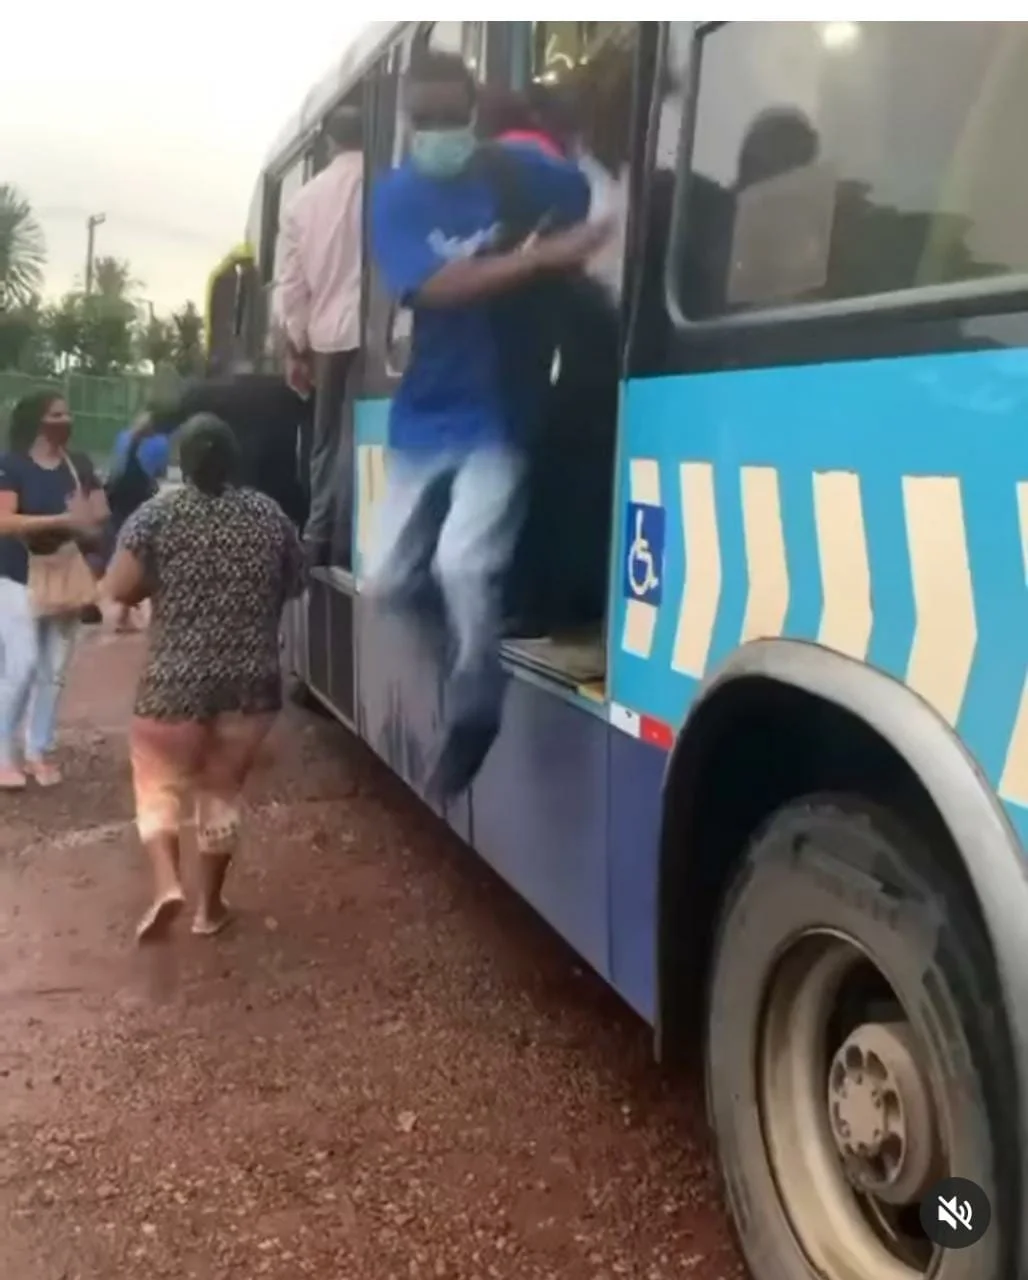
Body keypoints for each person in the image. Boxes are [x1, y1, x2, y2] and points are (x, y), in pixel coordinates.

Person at [367, 50, 609, 802]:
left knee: (466, 563)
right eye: (427, 120)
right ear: (410, 121)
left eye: (453, 118)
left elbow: (600, 207)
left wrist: (573, 255)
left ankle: (477, 703)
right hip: (421, 417)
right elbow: (439, 287)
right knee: (385, 581)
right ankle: (468, 654)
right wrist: (536, 263)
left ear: (473, 115)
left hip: (499, 409)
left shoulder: (514, 174)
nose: (441, 132)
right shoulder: (395, 198)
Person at [103, 413, 305, 943]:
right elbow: (295, 581)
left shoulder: (156, 515)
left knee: (157, 783)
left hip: (172, 682)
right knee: (220, 792)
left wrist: (162, 583)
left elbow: (119, 589)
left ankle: (168, 884)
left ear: (181, 462)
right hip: (250, 683)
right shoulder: (269, 515)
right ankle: (208, 911)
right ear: (234, 459)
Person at [0, 391, 107, 789]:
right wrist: (62, 518)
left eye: (67, 413)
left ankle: (36, 750)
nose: (66, 420)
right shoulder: (12, 466)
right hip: (15, 575)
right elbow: (4, 521)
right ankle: (3, 753)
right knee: (23, 665)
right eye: (56, 414)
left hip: (64, 574)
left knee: (55, 670)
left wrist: (86, 517)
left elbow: (99, 513)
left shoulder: (77, 464)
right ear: (36, 421)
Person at [273, 103, 364, 564]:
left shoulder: (303, 200)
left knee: (327, 441)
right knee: (362, 433)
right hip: (381, 331)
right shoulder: (384, 184)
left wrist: (297, 346)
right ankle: (356, 532)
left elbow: (292, 286)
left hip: (327, 337)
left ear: (329, 142)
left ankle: (320, 534)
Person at [154, 363, 311, 530]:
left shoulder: (170, 517)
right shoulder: (289, 394)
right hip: (280, 501)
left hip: (241, 498)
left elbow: (167, 414)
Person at [105, 408, 172, 632]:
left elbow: (115, 468)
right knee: (143, 557)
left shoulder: (123, 437)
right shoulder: (161, 443)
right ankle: (128, 612)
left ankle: (124, 612)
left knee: (124, 552)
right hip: (140, 502)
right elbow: (158, 473)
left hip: (119, 502)